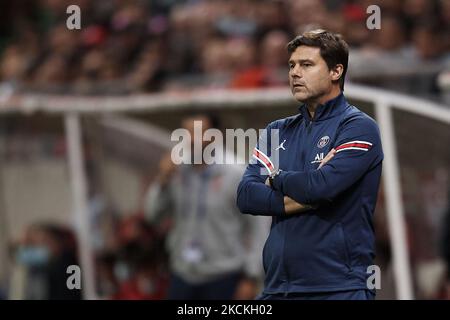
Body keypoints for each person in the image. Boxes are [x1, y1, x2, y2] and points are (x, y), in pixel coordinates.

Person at [237, 29, 384, 300]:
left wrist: (274, 178)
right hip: (278, 288)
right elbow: (246, 195)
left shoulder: (358, 128)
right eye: (291, 65)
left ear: (336, 71)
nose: (294, 73)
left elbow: (321, 187)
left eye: (306, 65)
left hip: (338, 288)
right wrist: (309, 190)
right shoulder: (277, 131)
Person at [144, 113, 268, 300]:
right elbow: (152, 216)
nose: (192, 140)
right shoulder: (176, 171)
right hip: (182, 275)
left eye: (198, 132)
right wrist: (161, 180)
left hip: (224, 277)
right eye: (186, 133)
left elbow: (259, 227)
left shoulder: (236, 173)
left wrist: (251, 277)